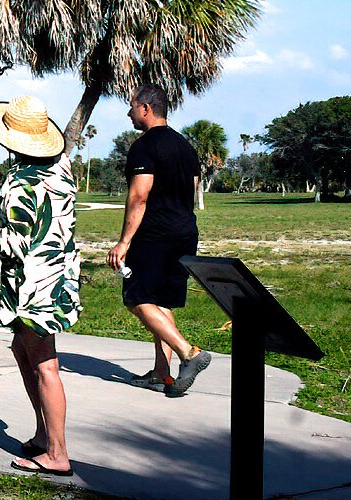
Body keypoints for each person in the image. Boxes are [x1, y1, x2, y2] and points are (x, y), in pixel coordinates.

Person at [0, 95, 81, 477]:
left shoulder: (18, 183)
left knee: (45, 364)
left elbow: (18, 243)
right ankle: (43, 435)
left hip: (33, 283)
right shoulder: (61, 169)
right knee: (23, 349)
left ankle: (57, 451)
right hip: (58, 275)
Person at [105, 84, 212, 397]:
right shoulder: (185, 146)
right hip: (185, 231)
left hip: (154, 234)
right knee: (161, 301)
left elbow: (139, 196)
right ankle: (161, 372)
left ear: (145, 108)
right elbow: (192, 188)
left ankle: (188, 353)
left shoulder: (144, 147)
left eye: (132, 106)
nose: (129, 113)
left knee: (136, 298)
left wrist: (123, 242)